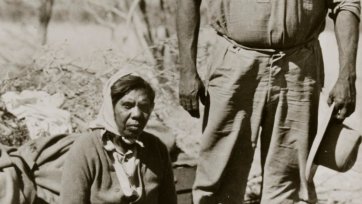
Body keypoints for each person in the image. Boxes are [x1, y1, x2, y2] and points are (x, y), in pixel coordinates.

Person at [176, 1, 360, 204]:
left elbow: (346, 4)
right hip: (234, 63)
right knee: (218, 176)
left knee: (289, 182)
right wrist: (186, 69)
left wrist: (347, 74)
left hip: (299, 66)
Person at [60, 71, 177, 204]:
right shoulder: (86, 147)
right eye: (127, 105)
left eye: (144, 106)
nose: (137, 114)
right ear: (111, 107)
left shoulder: (157, 148)